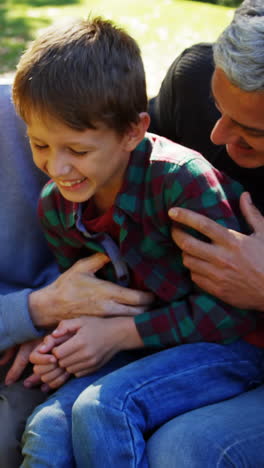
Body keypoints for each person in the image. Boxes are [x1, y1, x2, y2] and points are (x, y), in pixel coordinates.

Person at [11, 16, 264, 468]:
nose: (57, 167)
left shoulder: (182, 183)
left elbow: (233, 310)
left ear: (133, 131)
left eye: (78, 151)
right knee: (47, 426)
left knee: (104, 409)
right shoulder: (57, 205)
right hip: (147, 345)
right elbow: (92, 297)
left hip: (226, 345)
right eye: (39, 146)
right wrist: (60, 341)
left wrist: (120, 333)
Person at [0, 84, 153, 467]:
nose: (57, 164)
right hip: (33, 325)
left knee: (27, 429)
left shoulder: (24, 115)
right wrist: (34, 311)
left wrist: (58, 324)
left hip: (59, 342)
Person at [147, 0, 264, 466]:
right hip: (187, 336)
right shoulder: (193, 79)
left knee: (185, 447)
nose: (217, 136)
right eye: (219, 107)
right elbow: (114, 160)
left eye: (251, 130)